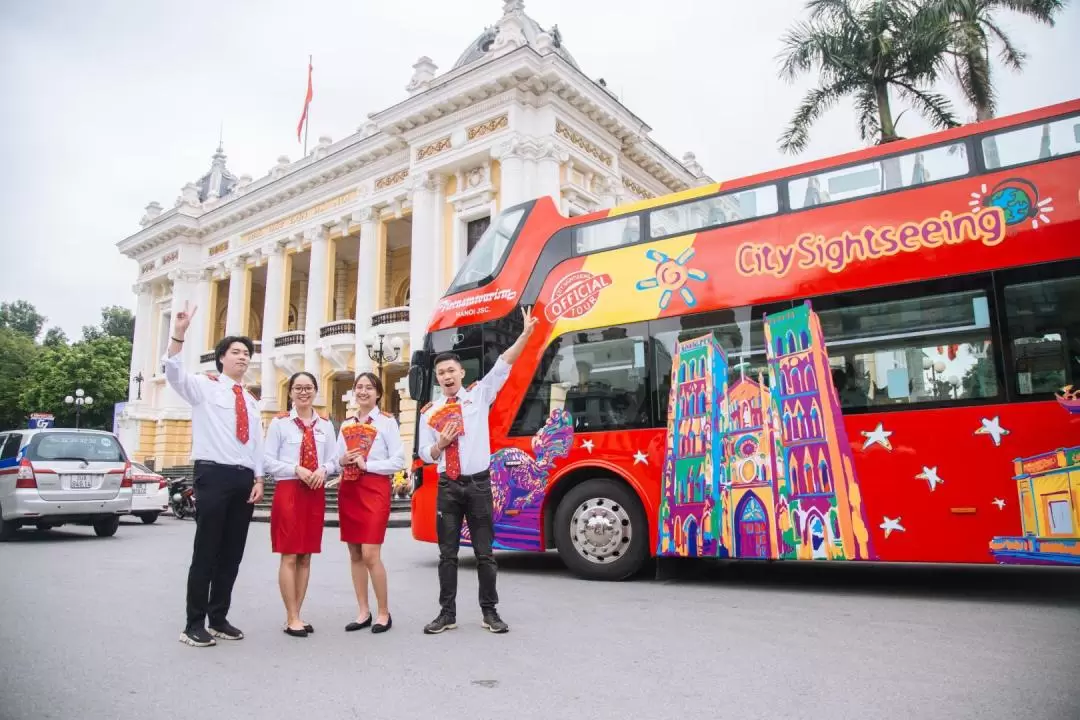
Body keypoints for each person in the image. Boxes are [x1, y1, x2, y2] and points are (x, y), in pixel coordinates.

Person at [418, 306, 538, 635]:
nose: (446, 376)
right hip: (449, 486)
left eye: (451, 370)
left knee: (485, 553)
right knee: (447, 555)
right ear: (438, 378)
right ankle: (447, 613)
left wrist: (525, 336)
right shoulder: (430, 413)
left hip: (480, 486)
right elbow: (423, 454)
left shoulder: (479, 395)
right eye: (441, 372)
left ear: (461, 373)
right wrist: (439, 445)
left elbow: (504, 365)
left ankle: (490, 612)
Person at [164, 301, 263, 648]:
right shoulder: (203, 387)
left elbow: (256, 443)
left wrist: (259, 478)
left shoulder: (250, 400)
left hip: (243, 479)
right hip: (213, 476)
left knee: (232, 553)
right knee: (206, 551)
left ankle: (218, 618)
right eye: (236, 352)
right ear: (222, 358)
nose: (243, 358)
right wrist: (178, 334)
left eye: (247, 354)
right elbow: (173, 372)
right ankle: (193, 624)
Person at [263, 371, 336, 638]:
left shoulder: (325, 425)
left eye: (308, 388)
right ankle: (291, 616)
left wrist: (323, 470)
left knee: (306, 555)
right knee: (289, 553)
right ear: (290, 392)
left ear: (315, 391)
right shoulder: (280, 424)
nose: (303, 392)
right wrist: (297, 469)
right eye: (298, 388)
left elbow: (334, 459)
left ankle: (297, 614)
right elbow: (268, 460)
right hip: (289, 491)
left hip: (314, 492)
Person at [335, 372, 405, 634]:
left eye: (369, 387)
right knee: (354, 552)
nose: (363, 391)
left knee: (370, 554)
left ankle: (383, 612)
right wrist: (342, 461)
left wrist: (369, 465)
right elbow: (335, 458)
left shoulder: (387, 422)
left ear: (378, 393)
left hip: (374, 489)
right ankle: (363, 611)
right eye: (359, 387)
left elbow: (398, 461)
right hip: (350, 489)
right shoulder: (345, 425)